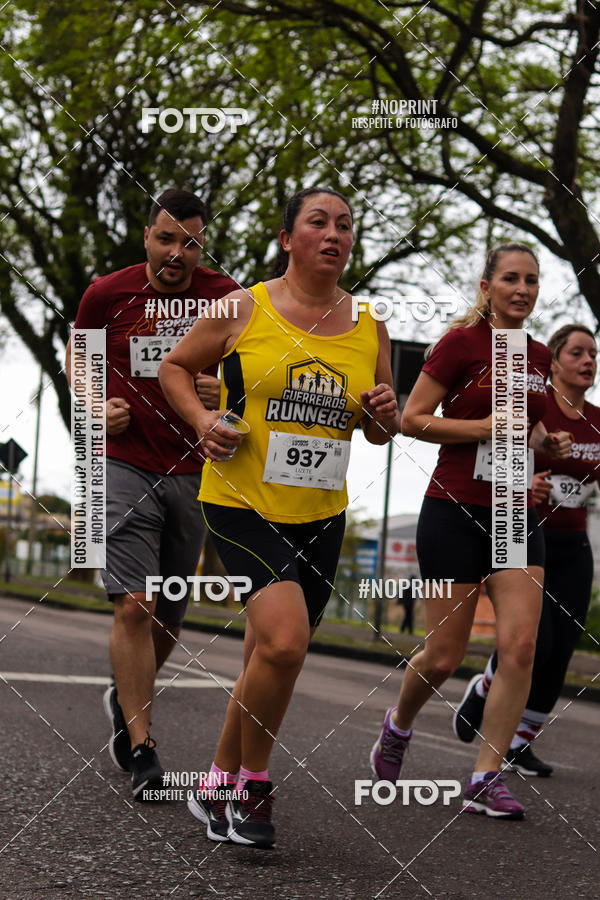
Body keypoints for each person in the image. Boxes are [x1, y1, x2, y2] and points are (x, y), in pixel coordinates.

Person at [158, 186, 400, 847]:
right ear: (288, 237)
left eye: (345, 225)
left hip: (320, 512)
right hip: (241, 500)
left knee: (271, 656)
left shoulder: (370, 324)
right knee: (287, 641)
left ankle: (214, 784)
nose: (334, 234)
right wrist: (204, 420)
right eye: (318, 222)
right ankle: (252, 791)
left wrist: (384, 414)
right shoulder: (244, 306)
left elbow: (382, 427)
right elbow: (176, 369)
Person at [370, 243, 571, 820]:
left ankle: (485, 776)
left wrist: (546, 443)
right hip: (454, 508)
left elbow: (528, 428)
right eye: (511, 278)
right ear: (486, 287)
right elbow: (412, 419)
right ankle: (398, 726)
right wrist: (481, 425)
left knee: (521, 648)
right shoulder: (460, 345)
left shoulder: (537, 356)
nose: (523, 289)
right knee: (442, 656)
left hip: (513, 514)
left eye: (532, 280)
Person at [66, 188, 238, 798]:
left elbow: (252, 370)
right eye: (166, 239)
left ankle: (124, 690)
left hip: (195, 472)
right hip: (122, 463)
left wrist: (225, 390)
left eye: (190, 242)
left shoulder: (224, 296)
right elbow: (80, 361)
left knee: (169, 615)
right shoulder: (105, 294)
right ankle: (142, 746)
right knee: (133, 606)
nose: (177, 252)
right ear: (146, 237)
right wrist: (91, 407)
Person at [453, 324, 599, 777]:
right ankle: (486, 685)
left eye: (593, 353)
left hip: (574, 542)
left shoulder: (597, 420)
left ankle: (520, 742)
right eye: (577, 352)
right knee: (539, 640)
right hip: (525, 531)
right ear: (554, 362)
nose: (588, 361)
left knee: (563, 648)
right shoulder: (538, 412)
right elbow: (498, 456)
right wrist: (528, 483)